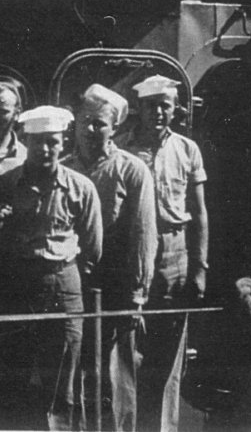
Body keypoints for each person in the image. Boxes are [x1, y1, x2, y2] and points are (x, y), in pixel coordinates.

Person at [0, 106, 102, 431]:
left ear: (63, 142)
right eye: (37, 141)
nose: (45, 149)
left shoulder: (81, 187)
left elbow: (93, 248)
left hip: (63, 287)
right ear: (26, 141)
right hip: (18, 288)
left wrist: (65, 274)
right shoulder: (7, 184)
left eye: (52, 141)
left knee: (63, 381)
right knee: (16, 377)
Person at [64, 84, 157, 432]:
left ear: (114, 127)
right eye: (85, 121)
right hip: (74, 290)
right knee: (76, 379)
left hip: (116, 291)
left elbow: (143, 236)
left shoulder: (132, 170)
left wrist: (136, 296)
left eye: (100, 123)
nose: (91, 129)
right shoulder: (63, 168)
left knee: (116, 381)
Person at [124, 75, 209, 432]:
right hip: (133, 254)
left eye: (165, 106)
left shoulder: (187, 149)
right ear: (139, 108)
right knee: (128, 350)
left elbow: (199, 212)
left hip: (175, 254)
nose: (158, 112)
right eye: (151, 106)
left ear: (175, 110)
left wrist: (199, 268)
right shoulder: (123, 148)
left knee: (167, 354)